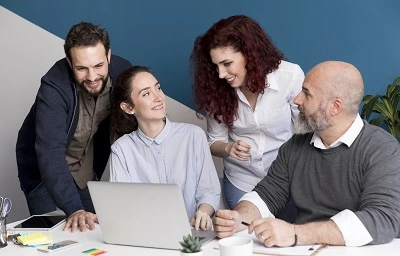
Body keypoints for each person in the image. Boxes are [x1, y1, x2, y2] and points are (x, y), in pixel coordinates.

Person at [213, 61, 400, 247]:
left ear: (335, 107)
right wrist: (237, 217)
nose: (297, 100)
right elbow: (267, 195)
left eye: (307, 93)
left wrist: (296, 233)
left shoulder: (382, 149)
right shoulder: (295, 146)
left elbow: (383, 219)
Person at [16, 22, 132, 232]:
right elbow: (50, 153)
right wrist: (74, 209)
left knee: (97, 231)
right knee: (56, 237)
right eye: (81, 68)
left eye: (98, 66)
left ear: (108, 56)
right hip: (44, 172)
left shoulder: (123, 72)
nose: (92, 76)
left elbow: (137, 119)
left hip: (84, 167)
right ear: (69, 63)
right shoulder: (53, 86)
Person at [190, 15, 304, 211]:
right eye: (216, 66)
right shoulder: (216, 90)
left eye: (227, 63)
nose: (220, 74)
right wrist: (228, 149)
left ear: (250, 54)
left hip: (288, 180)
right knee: (246, 238)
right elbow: (213, 141)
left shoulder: (289, 76)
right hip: (242, 182)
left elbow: (305, 133)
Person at [109, 66, 221, 230]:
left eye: (158, 88)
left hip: (192, 234)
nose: (159, 97)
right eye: (146, 94)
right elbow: (121, 204)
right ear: (128, 108)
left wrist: (203, 212)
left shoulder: (193, 136)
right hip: (145, 236)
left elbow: (209, 191)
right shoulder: (122, 149)